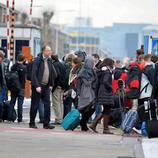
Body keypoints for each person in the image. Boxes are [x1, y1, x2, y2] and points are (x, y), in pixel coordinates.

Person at [29, 45, 57, 129]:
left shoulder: (49, 61)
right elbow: (33, 74)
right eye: (48, 50)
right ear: (43, 51)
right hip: (37, 86)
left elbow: (52, 73)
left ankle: (46, 123)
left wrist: (51, 84)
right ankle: (32, 122)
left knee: (47, 104)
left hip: (46, 86)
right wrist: (37, 86)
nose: (50, 52)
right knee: (35, 104)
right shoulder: (37, 60)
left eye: (50, 50)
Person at [90, 58, 115, 134]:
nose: (113, 65)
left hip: (101, 92)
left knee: (105, 110)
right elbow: (105, 81)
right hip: (106, 92)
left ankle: (94, 124)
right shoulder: (107, 72)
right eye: (112, 64)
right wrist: (111, 88)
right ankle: (105, 128)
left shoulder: (102, 70)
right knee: (107, 110)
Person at [77, 57, 97, 131]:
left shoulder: (93, 71)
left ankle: (83, 122)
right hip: (84, 92)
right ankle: (83, 124)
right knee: (85, 108)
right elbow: (78, 83)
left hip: (91, 92)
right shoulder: (82, 71)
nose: (93, 64)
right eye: (92, 62)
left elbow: (95, 82)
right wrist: (78, 93)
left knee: (91, 108)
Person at [8, 54, 27, 123]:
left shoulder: (13, 66)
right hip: (21, 87)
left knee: (12, 102)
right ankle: (20, 119)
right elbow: (25, 77)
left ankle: (10, 118)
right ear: (23, 59)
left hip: (13, 87)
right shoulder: (24, 68)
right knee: (20, 104)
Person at [51, 54, 67, 125]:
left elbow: (56, 76)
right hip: (62, 86)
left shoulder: (54, 65)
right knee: (60, 102)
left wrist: (53, 86)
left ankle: (58, 119)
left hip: (57, 86)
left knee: (56, 103)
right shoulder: (62, 65)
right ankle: (61, 118)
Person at [0, 51, 6, 122]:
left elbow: (2, 77)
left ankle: (1, 117)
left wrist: (3, 85)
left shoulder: (2, 65)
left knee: (1, 103)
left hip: (1, 87)